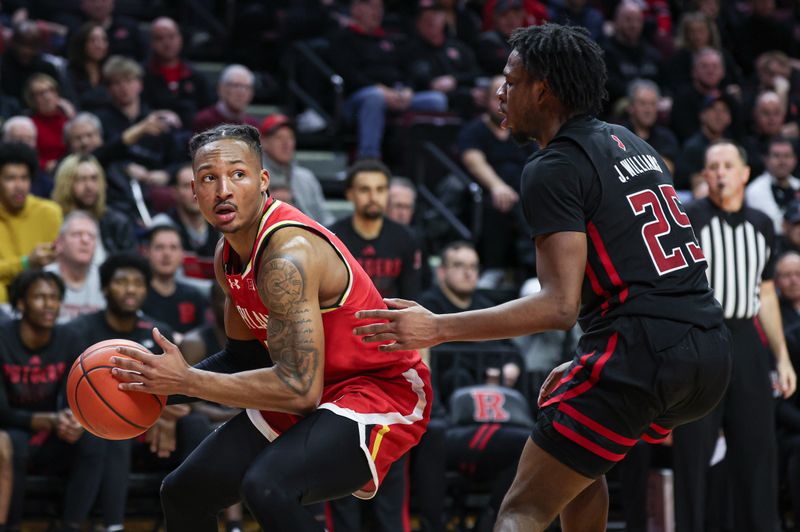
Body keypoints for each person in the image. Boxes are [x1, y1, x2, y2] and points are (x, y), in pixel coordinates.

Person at [353, 24, 734, 530]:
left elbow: (558, 307)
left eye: (511, 80)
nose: (499, 91)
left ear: (543, 89)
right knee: (576, 461)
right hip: (709, 349)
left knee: (522, 509)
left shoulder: (553, 166)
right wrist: (588, 364)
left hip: (643, 351)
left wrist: (438, 327)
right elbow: (638, 266)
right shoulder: (631, 141)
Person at [109, 124, 432, 531]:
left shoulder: (286, 256)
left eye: (237, 174)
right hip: (312, 388)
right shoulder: (226, 256)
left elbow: (299, 389)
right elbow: (241, 357)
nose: (223, 190)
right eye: (209, 178)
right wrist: (153, 383)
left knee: (267, 486)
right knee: (182, 491)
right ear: (194, 192)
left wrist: (188, 382)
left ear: (263, 182)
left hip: (378, 388)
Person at [671, 140, 796, 532]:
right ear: (705, 176)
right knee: (693, 452)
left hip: (746, 341)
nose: (720, 172)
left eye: (728, 165)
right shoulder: (689, 219)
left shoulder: (762, 224)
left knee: (759, 450)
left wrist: (782, 357)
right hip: (700, 341)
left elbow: (766, 293)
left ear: (745, 174)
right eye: (713, 166)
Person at [0, 269, 128, 532]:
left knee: (94, 439)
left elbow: (79, 395)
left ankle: (70, 525)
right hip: (12, 428)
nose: (49, 305)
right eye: (40, 297)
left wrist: (75, 420)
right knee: (14, 443)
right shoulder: (3, 338)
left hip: (54, 429)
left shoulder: (70, 338)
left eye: (55, 297)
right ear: (21, 303)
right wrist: (46, 420)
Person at [330, 159, 422, 299]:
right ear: (350, 194)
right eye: (364, 190)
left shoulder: (406, 237)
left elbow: (410, 296)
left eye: (380, 189)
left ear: (387, 193)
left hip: (391, 318)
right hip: (348, 318)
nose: (373, 197)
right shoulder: (333, 238)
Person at [0, 142, 62, 303]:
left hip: (42, 293)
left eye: (24, 178)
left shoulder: (50, 213)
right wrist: (26, 262)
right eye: (10, 178)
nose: (19, 186)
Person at [51, 153, 137, 263]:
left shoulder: (117, 223)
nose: (89, 186)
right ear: (65, 184)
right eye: (81, 179)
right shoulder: (53, 220)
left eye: (94, 179)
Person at [258, 114, 334, 226]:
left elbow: (325, 219)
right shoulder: (254, 177)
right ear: (264, 142)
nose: (286, 143)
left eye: (290, 138)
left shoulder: (306, 177)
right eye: (279, 138)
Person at [141, 225, 208, 343]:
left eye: (173, 247)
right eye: (159, 247)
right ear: (146, 252)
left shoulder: (194, 296)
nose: (166, 253)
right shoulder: (138, 295)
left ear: (182, 254)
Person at [44, 210, 105, 321]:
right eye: (77, 234)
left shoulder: (106, 281)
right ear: (59, 243)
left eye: (91, 236)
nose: (85, 240)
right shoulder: (43, 279)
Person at [745, 137, 799, 235]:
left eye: (787, 156)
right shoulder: (754, 190)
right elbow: (767, 225)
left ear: (795, 160)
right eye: (776, 156)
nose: (782, 161)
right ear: (766, 159)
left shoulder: (798, 185)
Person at [192, 64, 259, 134]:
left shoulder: (252, 125)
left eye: (246, 87)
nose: (241, 92)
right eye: (235, 86)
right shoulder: (205, 120)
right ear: (221, 89)